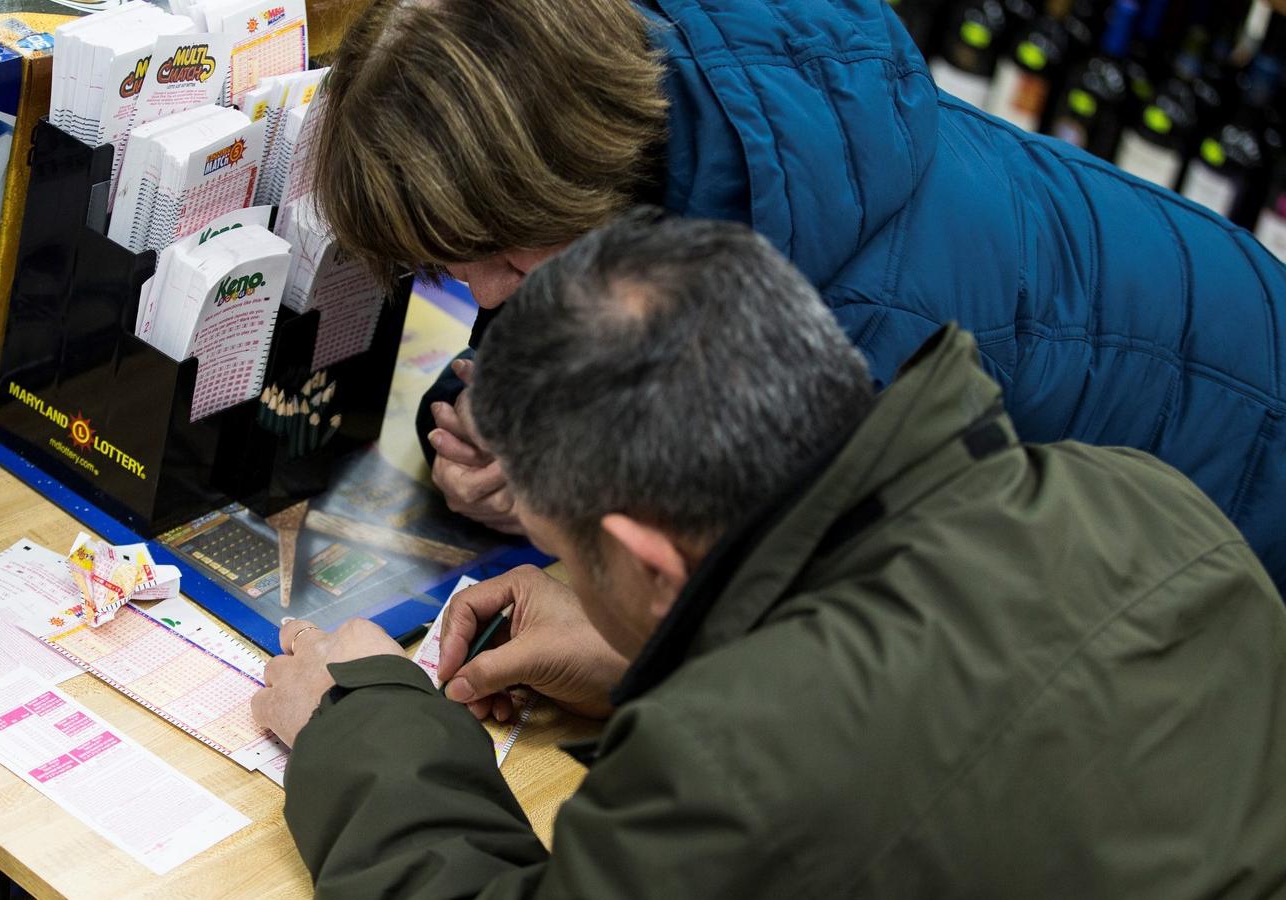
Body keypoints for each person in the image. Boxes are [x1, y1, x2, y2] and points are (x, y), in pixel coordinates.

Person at [251, 212, 1286, 897]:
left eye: (567, 551)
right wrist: (661, 659)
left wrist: (361, 721)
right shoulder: (1141, 497)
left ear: (647, 557)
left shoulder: (731, 767)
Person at [311, 0, 1286, 585]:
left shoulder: (848, 325)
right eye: (450, 267)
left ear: (573, 175)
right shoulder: (665, 91)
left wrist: (574, 515)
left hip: (1241, 488)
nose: (482, 294)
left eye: (502, 258)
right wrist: (520, 417)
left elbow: (829, 626)